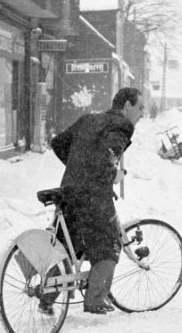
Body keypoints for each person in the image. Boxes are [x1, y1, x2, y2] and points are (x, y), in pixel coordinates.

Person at [49, 87, 144, 315]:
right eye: (140, 108)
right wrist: (113, 175)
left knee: (64, 248)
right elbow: (107, 157)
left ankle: (45, 296)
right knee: (109, 244)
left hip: (69, 191)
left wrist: (77, 167)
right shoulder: (122, 125)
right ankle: (96, 299)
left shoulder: (88, 119)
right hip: (93, 196)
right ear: (127, 106)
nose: (142, 114)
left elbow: (58, 143)